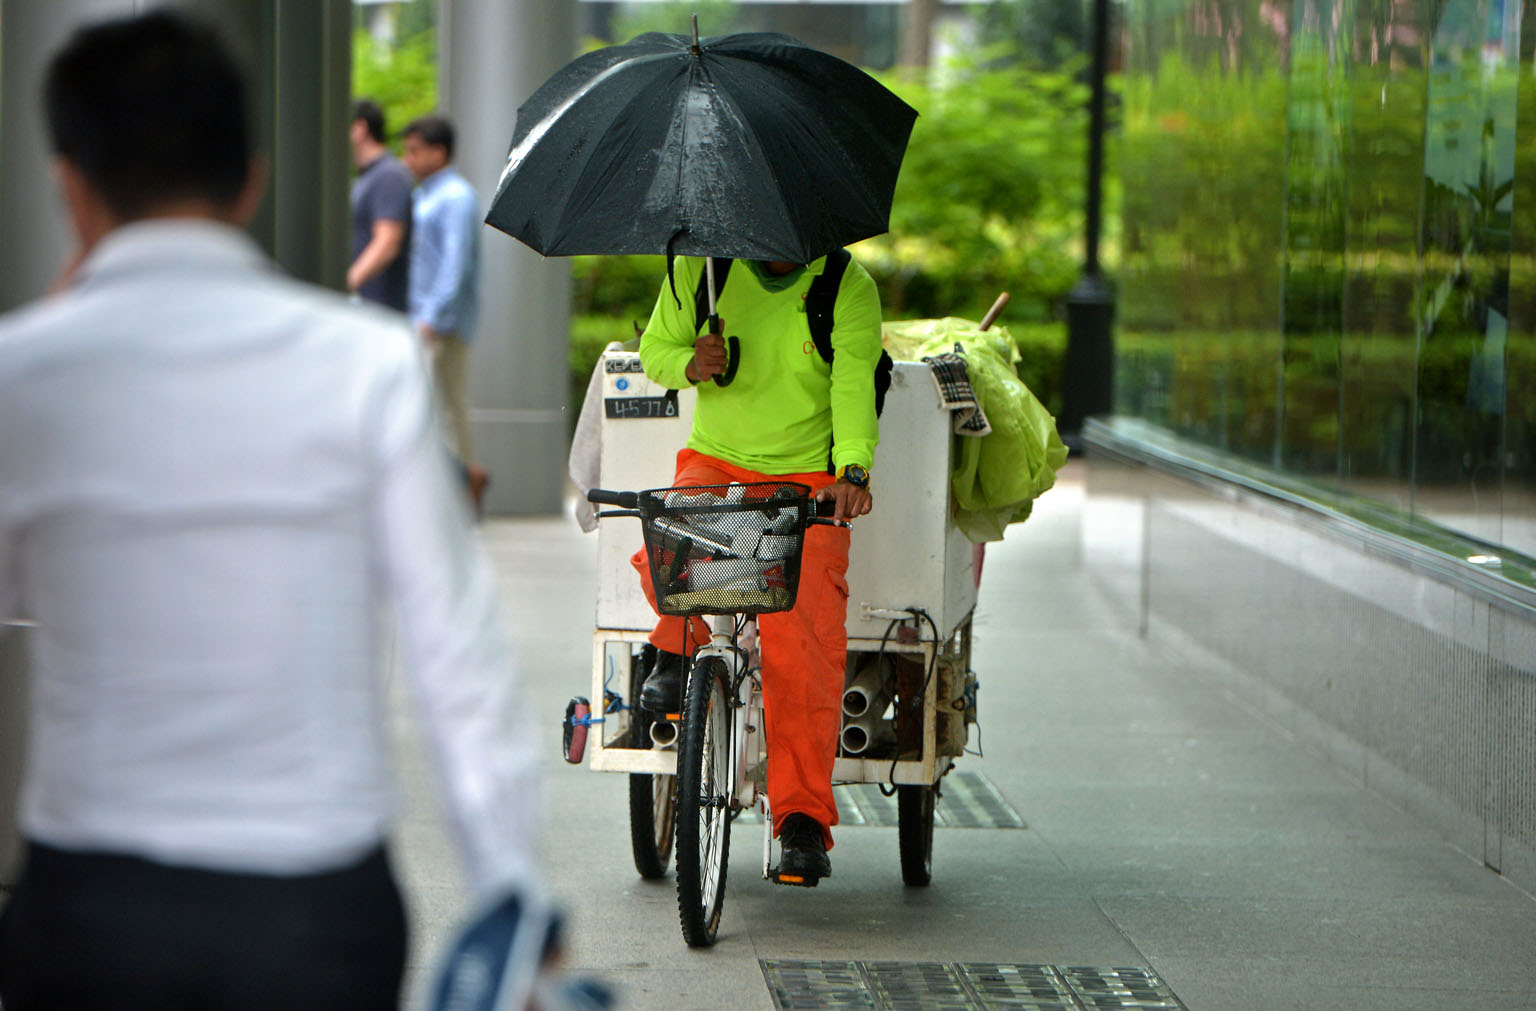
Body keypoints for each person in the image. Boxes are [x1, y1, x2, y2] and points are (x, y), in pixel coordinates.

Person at [0, 12, 541, 1009]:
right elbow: (455, 658)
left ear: (69, 182)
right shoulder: (367, 367)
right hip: (313, 910)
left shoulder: (22, 380)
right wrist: (514, 894)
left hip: (89, 908)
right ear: (249, 179)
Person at [633, 254, 882, 884]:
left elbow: (853, 385)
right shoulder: (702, 269)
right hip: (716, 461)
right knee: (663, 549)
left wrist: (852, 471)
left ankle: (802, 819)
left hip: (805, 478)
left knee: (805, 634)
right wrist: (691, 363)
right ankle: (675, 651)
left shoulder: (845, 288)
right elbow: (656, 349)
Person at [401, 114, 489, 510]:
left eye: (415, 151)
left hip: (441, 325)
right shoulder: (425, 194)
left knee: (446, 410)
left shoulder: (455, 196)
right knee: (434, 407)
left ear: (439, 152)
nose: (408, 159)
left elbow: (456, 263)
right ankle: (451, 488)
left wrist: (432, 317)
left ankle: (460, 490)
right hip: (425, 320)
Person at [348, 98, 413, 310]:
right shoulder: (366, 176)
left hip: (381, 309)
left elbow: (387, 243)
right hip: (365, 307)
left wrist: (347, 283)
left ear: (359, 128)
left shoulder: (390, 175)